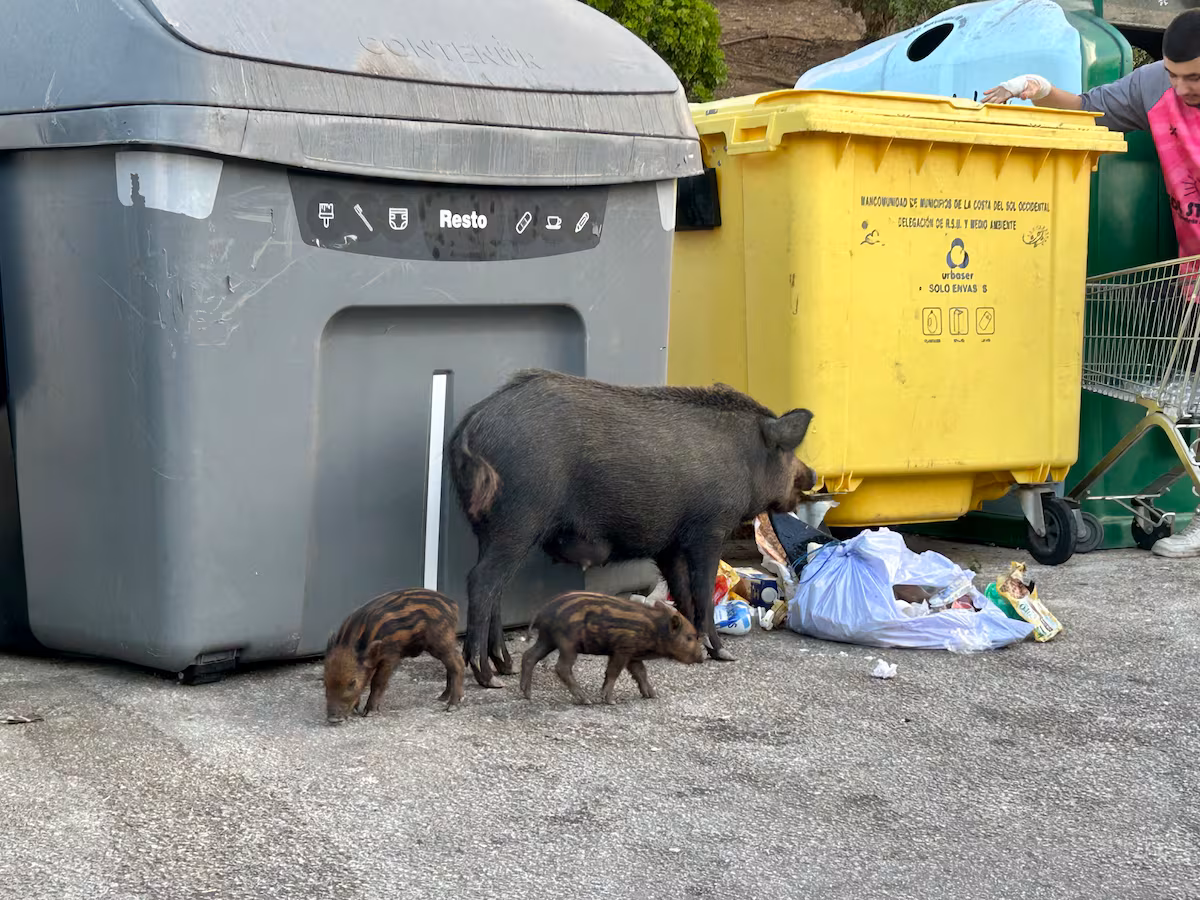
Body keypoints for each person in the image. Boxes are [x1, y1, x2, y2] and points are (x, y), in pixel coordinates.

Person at [984, 9, 1200, 558]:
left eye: (1194, 77)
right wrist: (1036, 88)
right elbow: (1090, 108)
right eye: (1174, 75)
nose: (1181, 87)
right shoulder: (1157, 88)